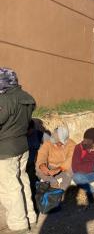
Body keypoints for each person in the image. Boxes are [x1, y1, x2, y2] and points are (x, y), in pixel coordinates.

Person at [0, 67, 37, 232]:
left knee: (10, 187)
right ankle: (30, 216)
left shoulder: (5, 99)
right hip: (23, 146)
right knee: (23, 181)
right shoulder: (26, 97)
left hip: (6, 149)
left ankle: (18, 224)